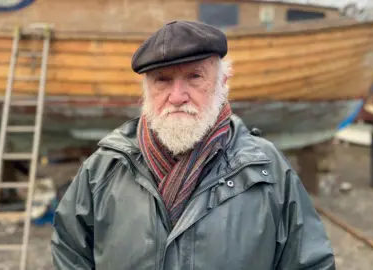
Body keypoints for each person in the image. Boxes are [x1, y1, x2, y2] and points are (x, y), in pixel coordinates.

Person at [51, 20, 335, 270]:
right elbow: (69, 252)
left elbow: (309, 262)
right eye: (162, 80)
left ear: (223, 81)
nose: (177, 96)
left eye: (194, 77)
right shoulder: (104, 170)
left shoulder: (267, 171)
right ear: (146, 90)